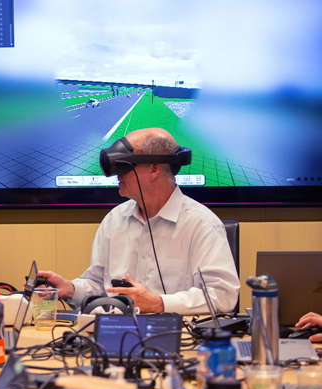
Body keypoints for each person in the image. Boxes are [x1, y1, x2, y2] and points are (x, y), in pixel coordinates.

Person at [39, 128, 239, 315]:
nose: (117, 174)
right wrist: (70, 288)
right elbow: (100, 286)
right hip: (115, 336)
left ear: (154, 169)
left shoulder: (202, 224)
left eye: (125, 165)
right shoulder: (114, 220)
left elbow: (222, 295)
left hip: (178, 340)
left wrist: (159, 303)